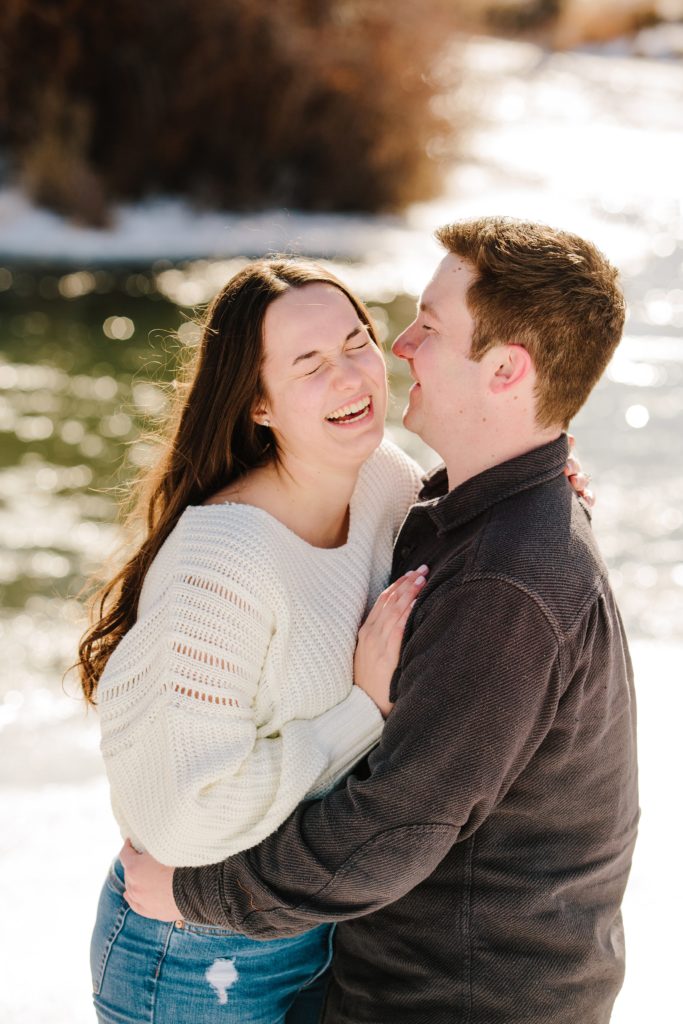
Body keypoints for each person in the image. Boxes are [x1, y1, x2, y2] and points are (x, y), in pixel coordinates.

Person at [123, 217, 638, 1024]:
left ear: (505, 370)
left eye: (425, 328)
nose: (397, 348)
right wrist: (539, 468)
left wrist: (199, 891)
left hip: (450, 999)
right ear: (256, 399)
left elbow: (393, 825)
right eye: (310, 360)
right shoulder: (442, 505)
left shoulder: (501, 578)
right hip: (271, 958)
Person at [80, 258, 431, 1024]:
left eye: (356, 342)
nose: (350, 376)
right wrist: (362, 708)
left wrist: (534, 485)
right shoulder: (224, 562)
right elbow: (185, 818)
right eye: (309, 364)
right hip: (194, 952)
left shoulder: (384, 479)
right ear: (258, 404)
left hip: (313, 917)